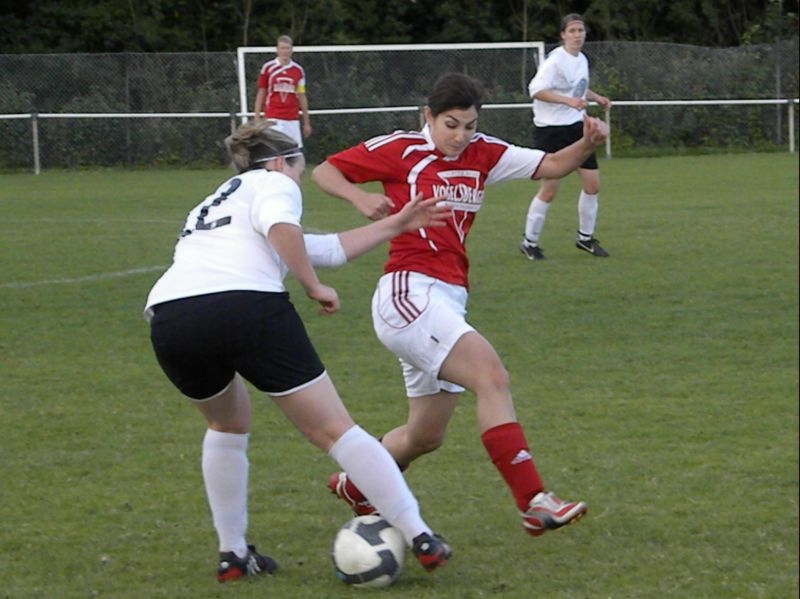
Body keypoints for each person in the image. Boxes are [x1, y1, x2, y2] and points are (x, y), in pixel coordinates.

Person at [144, 121, 453, 583]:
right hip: (246, 306)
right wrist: (313, 287)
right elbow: (283, 229)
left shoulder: (221, 199)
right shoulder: (272, 182)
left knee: (226, 424)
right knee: (334, 430)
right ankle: (420, 534)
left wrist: (398, 224)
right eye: (298, 170)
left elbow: (321, 247)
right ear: (277, 162)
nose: (298, 179)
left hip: (171, 317)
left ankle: (232, 554)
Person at [311, 72, 608, 537]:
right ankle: (533, 501)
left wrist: (586, 143)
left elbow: (551, 165)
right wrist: (358, 196)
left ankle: (358, 486)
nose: (460, 136)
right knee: (491, 377)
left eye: (468, 125)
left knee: (425, 436)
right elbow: (325, 170)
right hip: (409, 291)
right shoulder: (401, 149)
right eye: (451, 124)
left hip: (448, 297)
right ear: (427, 116)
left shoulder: (483, 152)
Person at [519, 13, 612, 261]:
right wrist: (567, 101)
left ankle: (585, 238)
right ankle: (529, 242)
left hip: (575, 128)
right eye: (572, 31)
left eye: (580, 30)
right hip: (550, 131)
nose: (577, 35)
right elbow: (535, 90)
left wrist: (597, 97)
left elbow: (578, 88)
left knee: (592, 185)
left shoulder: (581, 59)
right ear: (563, 35)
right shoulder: (555, 61)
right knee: (549, 190)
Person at [252, 35, 312, 148]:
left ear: (291, 49)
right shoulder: (268, 68)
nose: (285, 51)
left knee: (293, 151)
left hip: (292, 117)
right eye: (282, 48)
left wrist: (306, 122)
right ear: (277, 49)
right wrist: (256, 117)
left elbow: (302, 96)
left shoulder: (298, 70)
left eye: (287, 48)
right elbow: (261, 92)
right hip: (273, 116)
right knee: (274, 149)